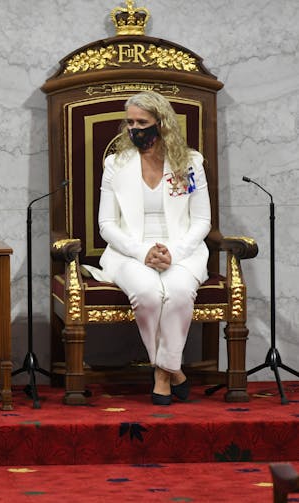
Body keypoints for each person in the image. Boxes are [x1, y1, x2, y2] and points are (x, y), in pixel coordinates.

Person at [94, 90, 211, 406]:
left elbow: (202, 220)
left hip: (181, 250)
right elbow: (106, 224)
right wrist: (140, 252)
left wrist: (176, 252)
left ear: (161, 123)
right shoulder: (116, 164)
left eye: (142, 122)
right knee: (147, 294)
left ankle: (163, 373)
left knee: (178, 293)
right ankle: (175, 371)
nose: (134, 129)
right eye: (130, 122)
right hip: (129, 251)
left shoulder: (189, 163)